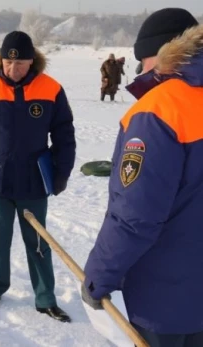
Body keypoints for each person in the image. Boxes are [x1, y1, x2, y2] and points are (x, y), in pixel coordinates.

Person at [82, 8, 203, 347]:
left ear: (158, 54)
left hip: (167, 302)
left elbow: (136, 216)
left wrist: (98, 276)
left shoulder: (159, 110)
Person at [0, 30, 76, 322]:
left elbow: (64, 134)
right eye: (9, 64)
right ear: (1, 59)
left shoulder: (51, 89)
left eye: (20, 64)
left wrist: (62, 172)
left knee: (38, 242)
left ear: (32, 61)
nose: (14, 69)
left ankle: (45, 297)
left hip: (33, 182)